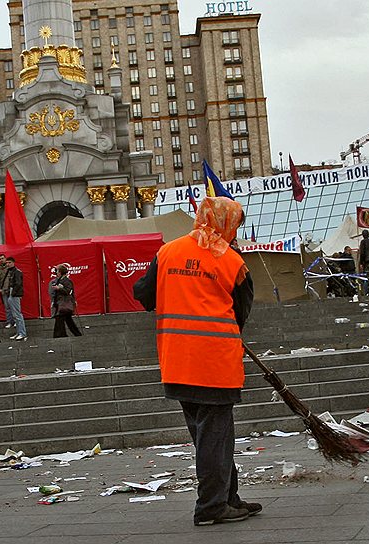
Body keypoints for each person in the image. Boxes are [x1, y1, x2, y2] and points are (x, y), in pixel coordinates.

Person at [132, 196, 259, 526]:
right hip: (214, 364)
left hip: (177, 361)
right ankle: (211, 507)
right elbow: (242, 311)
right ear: (226, 223)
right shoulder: (232, 261)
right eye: (236, 226)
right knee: (215, 437)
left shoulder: (168, 252)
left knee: (211, 437)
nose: (236, 232)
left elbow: (143, 295)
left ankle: (228, 497)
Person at [50, 264, 82, 338]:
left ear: (60, 272)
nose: (56, 272)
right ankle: (75, 334)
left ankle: (59, 335)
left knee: (60, 318)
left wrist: (59, 288)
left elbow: (68, 291)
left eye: (57, 271)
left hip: (64, 303)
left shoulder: (67, 281)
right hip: (60, 302)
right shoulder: (59, 280)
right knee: (68, 320)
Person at [2, 257, 27, 341]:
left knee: (17, 314)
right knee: (15, 315)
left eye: (9, 262)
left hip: (15, 294)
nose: (7, 264)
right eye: (7, 263)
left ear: (13, 262)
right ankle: (19, 332)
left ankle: (22, 333)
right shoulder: (11, 272)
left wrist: (13, 293)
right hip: (11, 292)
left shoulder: (17, 272)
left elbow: (18, 283)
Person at [0, 254, 14, 329]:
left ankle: (15, 321)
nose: (1, 260)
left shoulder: (10, 268)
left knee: (13, 306)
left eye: (2, 258)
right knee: (7, 307)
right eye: (0, 259)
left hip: (10, 289)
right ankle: (9, 321)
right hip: (3, 290)